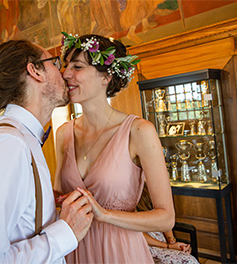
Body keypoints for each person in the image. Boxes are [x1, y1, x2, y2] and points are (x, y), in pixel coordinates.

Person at [0, 40, 94, 263]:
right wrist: (66, 231)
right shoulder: (9, 146)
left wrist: (45, 209)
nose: (64, 73)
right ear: (34, 71)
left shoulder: (21, 139)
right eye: (54, 63)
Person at [54, 32, 175, 263]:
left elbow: (166, 218)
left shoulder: (139, 131)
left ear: (106, 77)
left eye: (77, 67)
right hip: (74, 249)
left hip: (121, 251)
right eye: (66, 65)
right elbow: (59, 196)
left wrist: (104, 214)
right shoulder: (63, 134)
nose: (66, 74)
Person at [137, 185, 200, 264]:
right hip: (145, 247)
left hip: (162, 243)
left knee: (187, 259)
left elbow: (164, 220)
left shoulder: (148, 189)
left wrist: (172, 241)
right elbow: (138, 235)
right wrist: (167, 246)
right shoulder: (127, 197)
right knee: (188, 260)